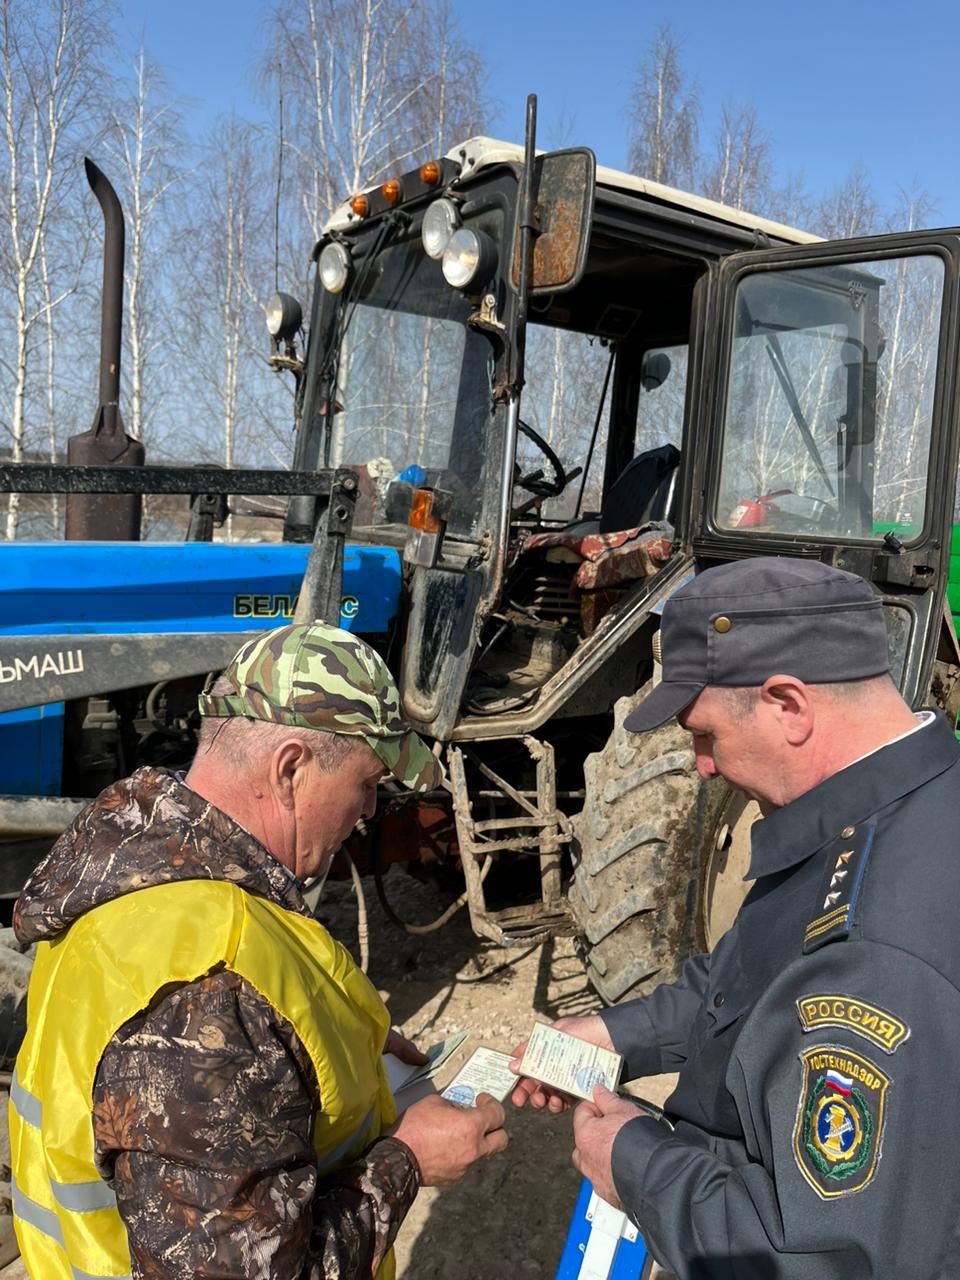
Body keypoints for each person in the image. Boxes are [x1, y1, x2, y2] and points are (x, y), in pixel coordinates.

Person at [10, 622, 508, 1280]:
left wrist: (355, 1044)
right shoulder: (210, 996)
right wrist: (404, 1163)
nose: (366, 812)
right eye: (366, 782)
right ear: (292, 767)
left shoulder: (136, 867)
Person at [513, 556, 960, 1278]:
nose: (703, 768)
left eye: (706, 736)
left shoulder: (877, 948)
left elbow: (820, 1260)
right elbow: (746, 986)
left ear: (788, 705)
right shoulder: (868, 813)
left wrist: (634, 1159)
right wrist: (610, 1034)